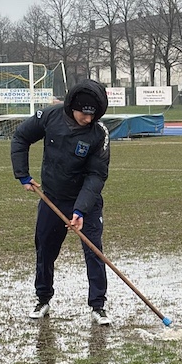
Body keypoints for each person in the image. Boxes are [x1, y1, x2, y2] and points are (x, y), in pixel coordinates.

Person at [11, 78, 111, 322]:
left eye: (93, 115)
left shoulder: (99, 133)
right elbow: (20, 137)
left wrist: (80, 210)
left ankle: (98, 305)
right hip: (52, 198)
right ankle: (43, 299)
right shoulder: (49, 116)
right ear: (72, 106)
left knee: (94, 252)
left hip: (85, 203)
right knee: (45, 250)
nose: (88, 119)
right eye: (84, 114)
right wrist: (23, 175)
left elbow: (96, 175)